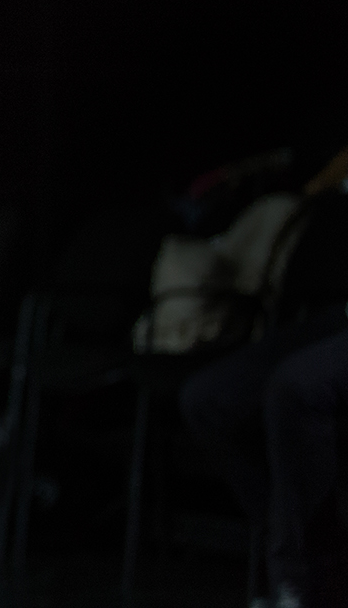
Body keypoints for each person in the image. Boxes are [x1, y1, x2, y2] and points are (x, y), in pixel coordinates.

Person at [179, 156, 348, 608]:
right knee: (208, 400)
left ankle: (299, 579)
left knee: (298, 388)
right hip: (336, 316)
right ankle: (316, 554)